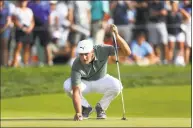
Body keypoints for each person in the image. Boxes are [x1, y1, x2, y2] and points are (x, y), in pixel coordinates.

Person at [63, 24, 131, 121]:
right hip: (84, 83)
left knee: (117, 85)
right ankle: (86, 108)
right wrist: (78, 112)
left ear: (92, 51)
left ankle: (101, 108)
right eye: (81, 55)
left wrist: (117, 35)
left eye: (86, 54)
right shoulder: (76, 64)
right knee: (67, 86)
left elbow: (126, 53)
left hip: (102, 80)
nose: (83, 58)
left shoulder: (102, 49)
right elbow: (76, 91)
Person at [11, 0, 34, 67]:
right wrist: (22, 28)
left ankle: (26, 62)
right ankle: (15, 63)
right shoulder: (16, 10)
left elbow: (32, 21)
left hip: (28, 29)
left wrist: (30, 28)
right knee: (18, 46)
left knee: (27, 47)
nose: (23, 2)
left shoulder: (29, 10)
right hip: (20, 30)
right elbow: (14, 20)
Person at [0, 0, 12, 66]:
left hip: (5, 29)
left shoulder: (7, 5)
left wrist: (3, 28)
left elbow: (9, 19)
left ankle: (4, 63)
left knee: (4, 47)